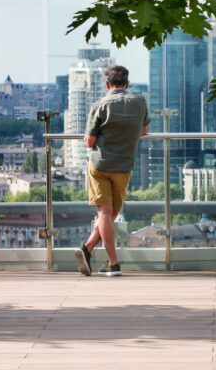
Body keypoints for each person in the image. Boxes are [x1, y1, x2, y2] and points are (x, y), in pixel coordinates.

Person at [74, 65, 149, 276]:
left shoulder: (100, 104)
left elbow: (89, 142)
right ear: (128, 84)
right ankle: (106, 260)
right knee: (110, 215)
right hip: (124, 165)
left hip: (100, 165)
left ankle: (92, 252)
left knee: (105, 214)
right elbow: (143, 130)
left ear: (108, 85)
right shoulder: (140, 102)